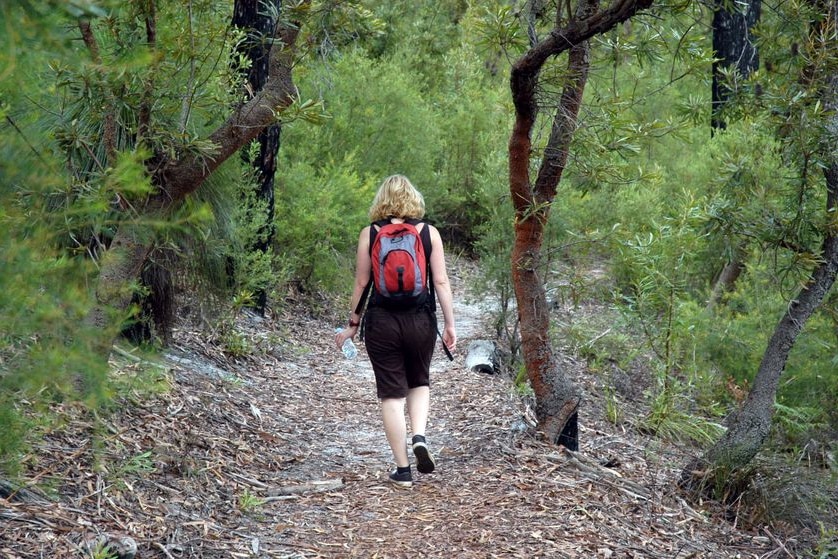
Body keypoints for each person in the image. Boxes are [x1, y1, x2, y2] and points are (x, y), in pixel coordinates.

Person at [335, 174, 457, 489]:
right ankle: (419, 436)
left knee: (391, 394)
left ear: (381, 201)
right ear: (413, 199)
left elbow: (362, 284)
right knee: (419, 381)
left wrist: (352, 325)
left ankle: (402, 471)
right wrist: (449, 324)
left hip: (382, 320)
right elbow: (440, 281)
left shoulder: (370, 234)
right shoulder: (429, 233)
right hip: (420, 320)